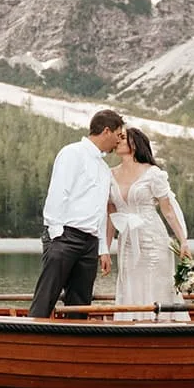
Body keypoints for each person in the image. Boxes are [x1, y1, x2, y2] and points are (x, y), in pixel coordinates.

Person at [29, 109, 129, 318]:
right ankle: (30, 340)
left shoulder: (103, 168)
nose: (118, 142)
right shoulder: (72, 153)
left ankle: (72, 346)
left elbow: (101, 211)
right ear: (107, 131)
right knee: (46, 296)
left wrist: (102, 248)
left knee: (81, 303)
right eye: (118, 135)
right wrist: (57, 236)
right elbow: (58, 193)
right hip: (65, 237)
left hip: (89, 243)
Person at [108, 126, 191, 322]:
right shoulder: (109, 174)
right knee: (130, 281)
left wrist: (183, 241)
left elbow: (168, 210)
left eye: (122, 138)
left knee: (156, 283)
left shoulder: (153, 173)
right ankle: (130, 325)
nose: (117, 141)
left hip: (153, 239)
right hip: (127, 241)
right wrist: (105, 248)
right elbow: (111, 215)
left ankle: (161, 326)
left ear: (134, 144)